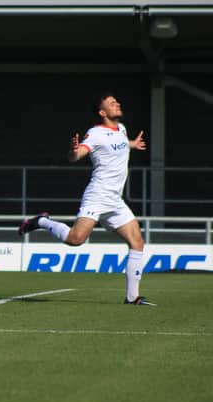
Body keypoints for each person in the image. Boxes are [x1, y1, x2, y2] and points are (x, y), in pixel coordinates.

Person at [18, 93, 154, 306]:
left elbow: (118, 143)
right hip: (98, 195)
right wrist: (73, 151)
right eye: (111, 103)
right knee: (75, 239)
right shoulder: (95, 133)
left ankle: (132, 298)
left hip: (115, 200)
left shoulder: (122, 129)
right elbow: (77, 155)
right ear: (102, 112)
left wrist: (131, 144)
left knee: (137, 242)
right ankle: (41, 221)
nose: (117, 104)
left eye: (116, 101)